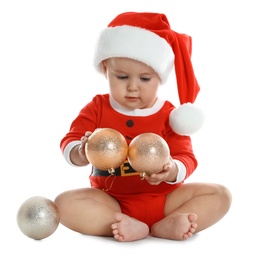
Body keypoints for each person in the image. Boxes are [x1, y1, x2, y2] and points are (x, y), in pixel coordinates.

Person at [54, 12, 232, 242]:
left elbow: (186, 157)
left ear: (160, 76)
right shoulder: (97, 107)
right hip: (110, 200)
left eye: (145, 79)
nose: (132, 88)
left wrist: (171, 170)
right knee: (63, 204)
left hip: (165, 199)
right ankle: (120, 223)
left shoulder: (170, 115)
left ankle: (167, 223)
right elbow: (70, 140)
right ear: (106, 69)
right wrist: (81, 151)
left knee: (220, 195)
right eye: (122, 77)